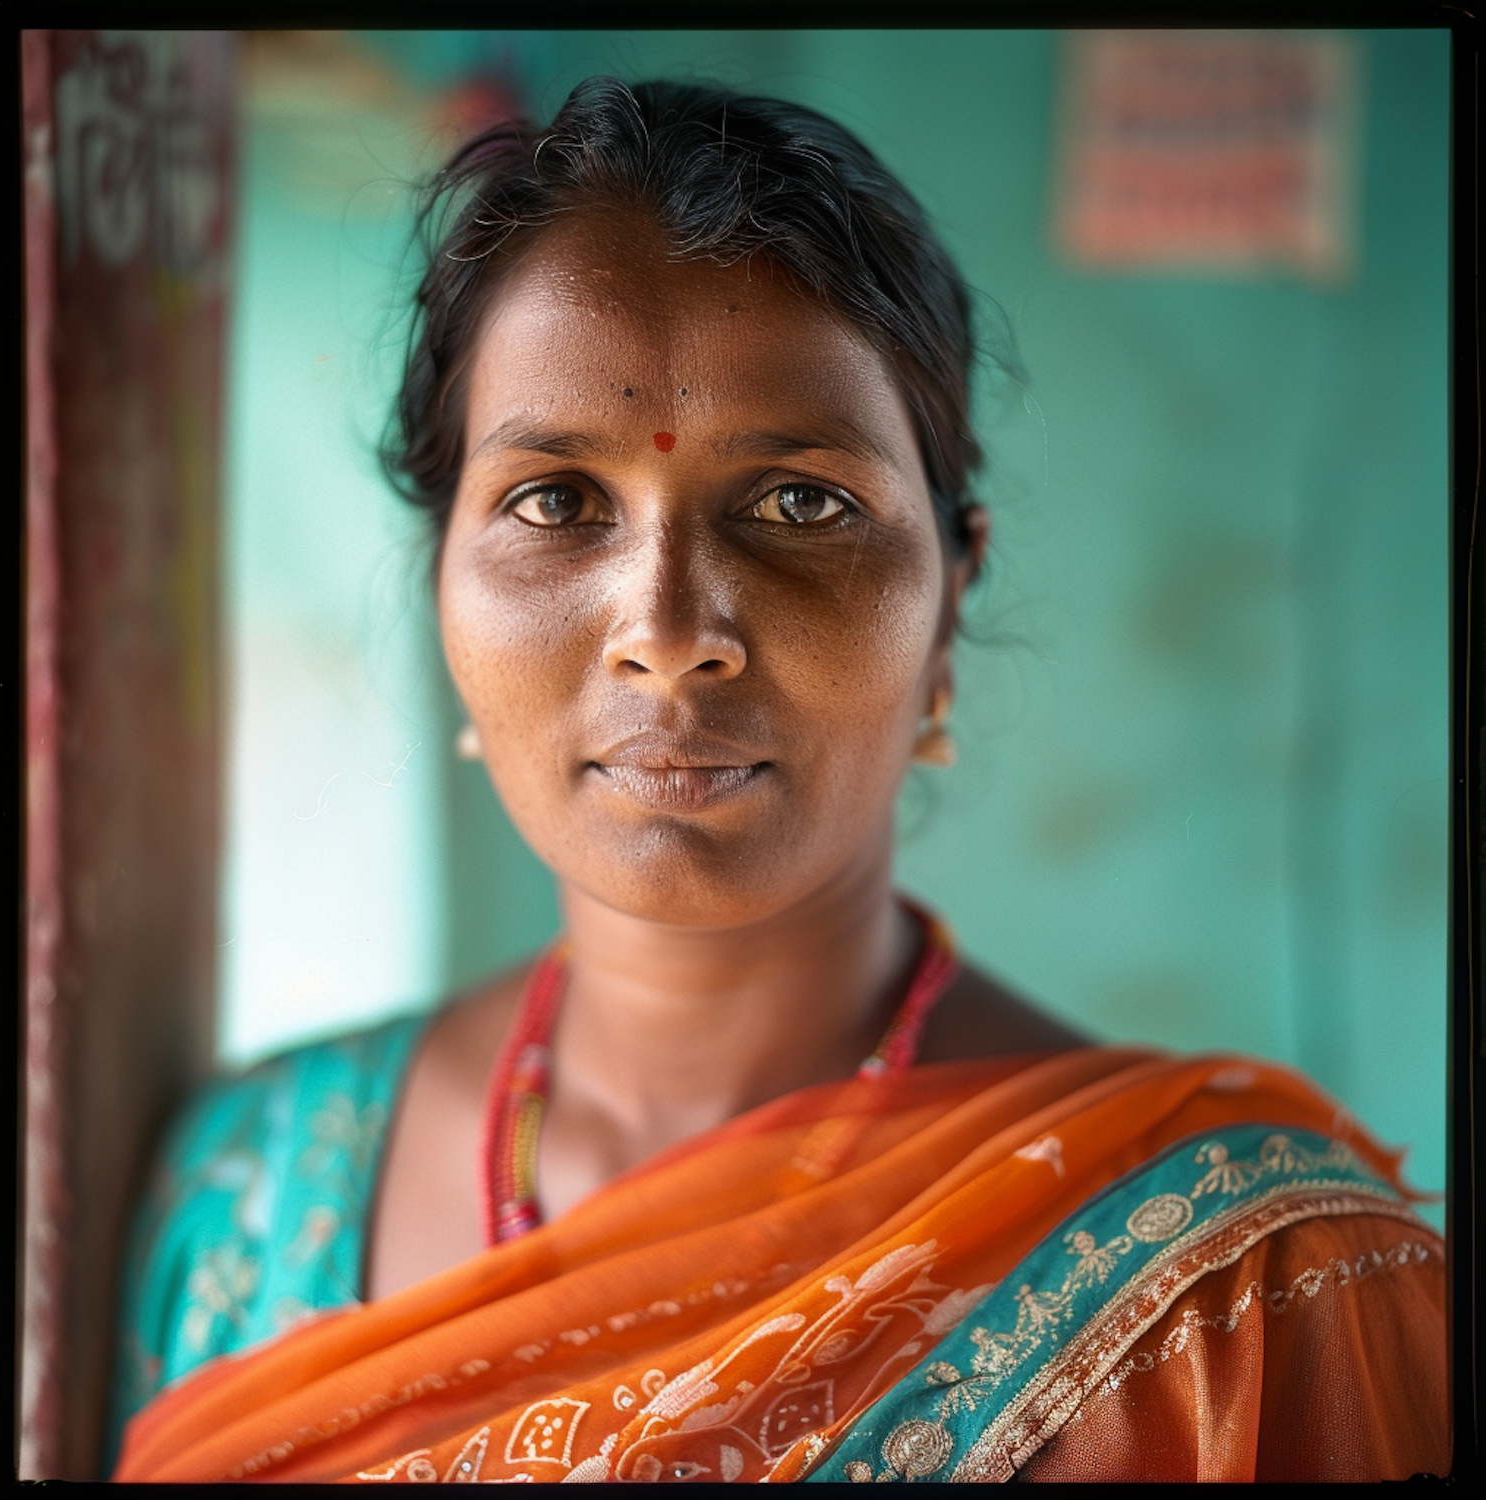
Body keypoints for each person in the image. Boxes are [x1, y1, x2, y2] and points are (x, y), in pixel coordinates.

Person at [109, 78, 1447, 1483]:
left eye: (802, 503)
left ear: (949, 599)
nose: (671, 636)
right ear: (441, 586)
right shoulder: (239, 1198)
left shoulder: (1247, 1299)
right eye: (556, 501)